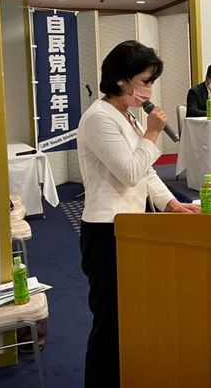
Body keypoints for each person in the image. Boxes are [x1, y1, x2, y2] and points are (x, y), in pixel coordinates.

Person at [77, 40, 200, 388]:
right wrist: (152, 134)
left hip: (133, 227)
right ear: (120, 81)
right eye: (145, 80)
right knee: (110, 322)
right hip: (106, 232)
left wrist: (171, 204)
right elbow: (129, 172)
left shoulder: (125, 116)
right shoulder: (99, 119)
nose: (149, 89)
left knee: (133, 317)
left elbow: (146, 175)